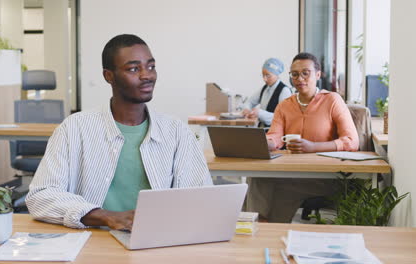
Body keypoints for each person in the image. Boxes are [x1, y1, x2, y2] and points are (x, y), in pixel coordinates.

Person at [25, 34, 213, 230]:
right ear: (109, 76)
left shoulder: (176, 131)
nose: (147, 75)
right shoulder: (74, 128)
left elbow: (202, 197)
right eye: (133, 69)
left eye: (151, 66)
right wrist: (105, 216)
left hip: (158, 239)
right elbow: (41, 195)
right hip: (94, 241)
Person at [246, 52, 359, 222]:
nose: (300, 78)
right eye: (295, 74)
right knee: (257, 177)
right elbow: (275, 137)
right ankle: (260, 225)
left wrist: (313, 147)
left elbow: (351, 141)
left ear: (318, 75)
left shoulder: (332, 100)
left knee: (275, 187)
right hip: (292, 171)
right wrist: (263, 144)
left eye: (306, 73)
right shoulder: (285, 106)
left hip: (325, 176)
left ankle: (266, 228)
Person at [241, 58, 292, 126]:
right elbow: (250, 102)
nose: (264, 79)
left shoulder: (284, 91)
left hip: (275, 133)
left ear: (276, 74)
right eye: (263, 75)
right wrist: (246, 109)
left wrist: (259, 113)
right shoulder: (265, 88)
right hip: (263, 130)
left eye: (268, 75)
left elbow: (282, 118)